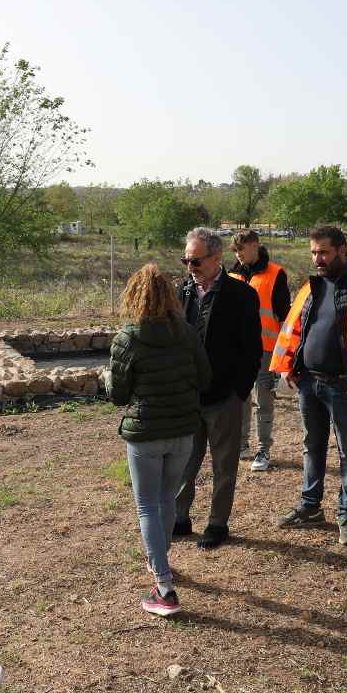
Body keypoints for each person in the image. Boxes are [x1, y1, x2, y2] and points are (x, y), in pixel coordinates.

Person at [104, 264, 211, 616]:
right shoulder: (186, 331)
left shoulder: (127, 338)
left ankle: (164, 587)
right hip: (182, 429)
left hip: (146, 431)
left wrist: (108, 379)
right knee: (166, 499)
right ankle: (159, 563)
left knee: (148, 504)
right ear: (168, 294)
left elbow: (118, 395)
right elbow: (204, 377)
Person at [273, 225, 347, 547]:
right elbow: (299, 328)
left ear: (342, 251)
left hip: (345, 386)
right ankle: (311, 506)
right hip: (309, 382)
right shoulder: (313, 285)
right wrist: (292, 365)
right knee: (313, 445)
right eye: (314, 253)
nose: (318, 259)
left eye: (324, 252)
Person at [173, 227, 262, 550]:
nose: (190, 267)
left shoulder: (241, 295)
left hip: (224, 397)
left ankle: (217, 523)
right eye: (186, 260)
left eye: (195, 261)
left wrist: (239, 391)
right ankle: (179, 518)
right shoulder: (182, 291)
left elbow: (252, 350)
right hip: (188, 395)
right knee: (184, 462)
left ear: (216, 258)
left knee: (224, 465)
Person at [227, 229, 291, 471]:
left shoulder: (276, 275)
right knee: (241, 397)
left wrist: (285, 355)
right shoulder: (232, 274)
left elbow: (284, 317)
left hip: (266, 350)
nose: (238, 254)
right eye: (234, 250)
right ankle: (241, 444)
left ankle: (264, 449)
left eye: (240, 249)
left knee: (264, 399)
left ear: (254, 245)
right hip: (238, 350)